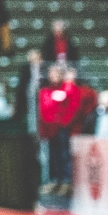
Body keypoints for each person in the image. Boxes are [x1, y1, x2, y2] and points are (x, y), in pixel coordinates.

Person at [38, 64, 79, 195]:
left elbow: (73, 106)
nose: (53, 76)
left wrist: (65, 122)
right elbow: (45, 108)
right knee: (53, 156)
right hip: (51, 129)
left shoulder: (67, 88)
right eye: (51, 73)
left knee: (64, 154)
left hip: (62, 128)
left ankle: (66, 182)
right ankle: (55, 181)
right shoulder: (46, 91)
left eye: (56, 73)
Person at [14, 49, 44, 133]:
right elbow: (22, 84)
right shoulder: (26, 68)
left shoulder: (43, 67)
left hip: (42, 95)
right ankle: (32, 131)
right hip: (29, 95)